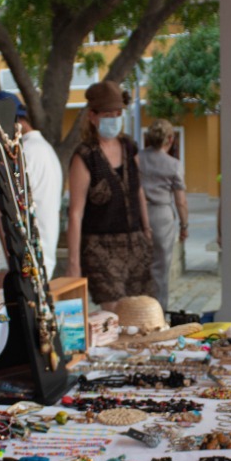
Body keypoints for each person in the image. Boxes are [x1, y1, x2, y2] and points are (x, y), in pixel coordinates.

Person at [65, 80, 154, 308]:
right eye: (107, 114)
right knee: (115, 313)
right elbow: (75, 213)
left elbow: (138, 189)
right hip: (100, 247)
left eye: (117, 113)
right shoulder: (85, 156)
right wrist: (73, 263)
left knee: (141, 311)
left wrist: (146, 229)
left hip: (135, 242)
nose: (113, 119)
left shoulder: (129, 146)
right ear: (92, 116)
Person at [0, 91, 63, 278]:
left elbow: (0, 208)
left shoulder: (24, 154)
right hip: (36, 257)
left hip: (27, 260)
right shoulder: (41, 148)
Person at [139, 119, 189, 310]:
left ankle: (138, 312)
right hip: (162, 216)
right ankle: (158, 313)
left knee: (140, 268)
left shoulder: (137, 158)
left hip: (139, 215)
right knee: (160, 269)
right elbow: (181, 201)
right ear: (170, 139)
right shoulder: (174, 165)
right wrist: (184, 226)